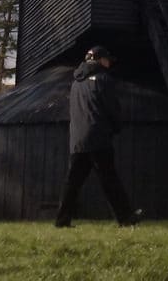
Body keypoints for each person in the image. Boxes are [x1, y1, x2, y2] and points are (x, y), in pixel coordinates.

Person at [54, 45, 140, 227]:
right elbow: (111, 107)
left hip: (77, 139)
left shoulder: (76, 82)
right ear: (100, 60)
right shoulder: (103, 79)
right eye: (107, 59)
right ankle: (125, 218)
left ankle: (62, 220)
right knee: (109, 179)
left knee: (73, 182)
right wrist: (116, 127)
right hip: (98, 136)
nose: (109, 63)